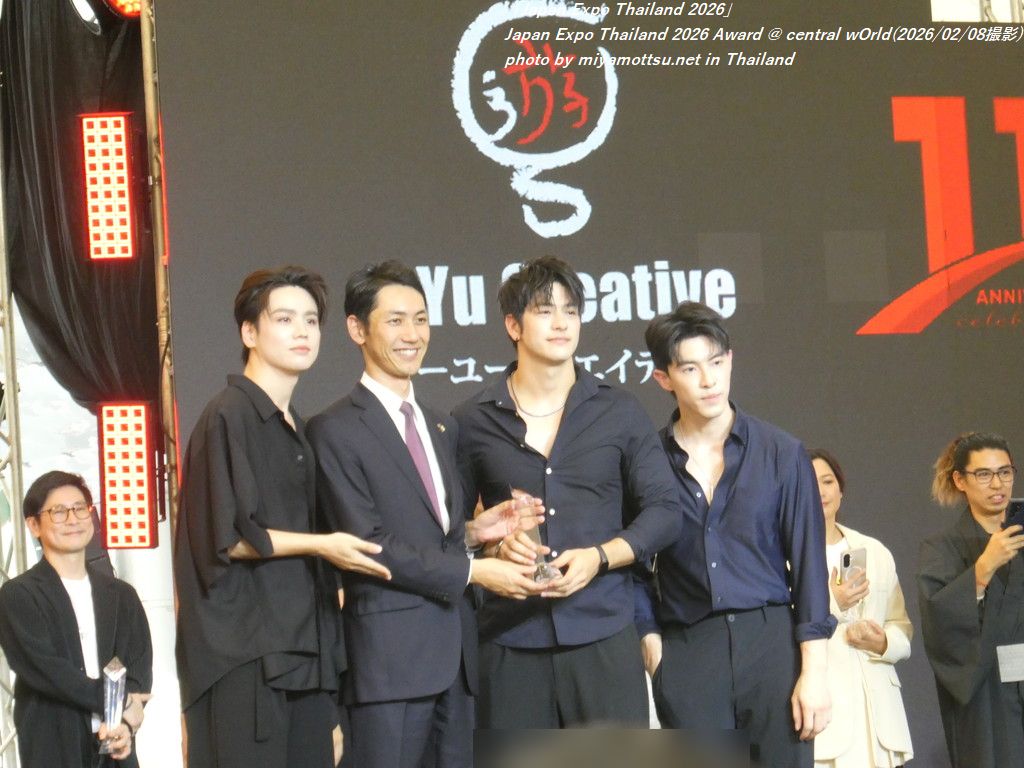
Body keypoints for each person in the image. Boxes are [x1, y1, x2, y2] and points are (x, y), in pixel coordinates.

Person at [307, 261, 546, 768]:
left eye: (420, 319)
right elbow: (368, 545)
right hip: (388, 666)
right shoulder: (334, 429)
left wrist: (475, 533)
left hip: (456, 660)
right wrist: (474, 571)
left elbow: (433, 535)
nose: (412, 335)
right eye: (395, 321)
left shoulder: (441, 424)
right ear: (357, 329)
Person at [174, 266, 391, 768]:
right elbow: (228, 537)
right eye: (285, 319)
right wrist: (322, 545)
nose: (302, 332)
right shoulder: (228, 414)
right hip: (246, 658)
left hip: (305, 655)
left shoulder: (301, 427)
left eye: (311, 321)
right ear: (250, 332)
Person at [454, 256, 682, 728]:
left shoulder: (618, 411)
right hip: (508, 640)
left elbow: (665, 511)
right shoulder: (472, 420)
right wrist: (491, 545)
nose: (561, 323)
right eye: (545, 310)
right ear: (513, 325)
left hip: (603, 633)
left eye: (571, 310)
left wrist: (599, 557)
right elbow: (447, 532)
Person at [636, 301, 834, 767]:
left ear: (730, 360)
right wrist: (653, 648)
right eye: (690, 368)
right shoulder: (647, 461)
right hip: (689, 648)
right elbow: (633, 565)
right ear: (664, 378)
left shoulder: (782, 452)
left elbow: (809, 567)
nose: (709, 380)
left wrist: (814, 673)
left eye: (716, 362)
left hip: (771, 643)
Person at [0, 470, 152, 768]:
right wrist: (120, 702)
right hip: (54, 744)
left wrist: (125, 724)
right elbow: (49, 672)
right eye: (58, 512)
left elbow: (137, 668)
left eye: (80, 508)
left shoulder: (122, 595)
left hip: (115, 747)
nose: (73, 519)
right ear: (34, 525)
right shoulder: (19, 595)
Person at [918, 432, 1024, 768]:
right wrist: (983, 567)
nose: (997, 484)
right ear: (960, 480)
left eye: (1005, 472)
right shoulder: (941, 548)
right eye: (984, 474)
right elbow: (940, 622)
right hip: (986, 691)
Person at [808, 449, 913, 768]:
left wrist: (882, 642)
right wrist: (834, 603)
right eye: (810, 482)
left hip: (878, 714)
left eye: (828, 481)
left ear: (841, 490)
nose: (821, 491)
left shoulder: (875, 551)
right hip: (824, 709)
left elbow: (900, 623)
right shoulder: (779, 556)